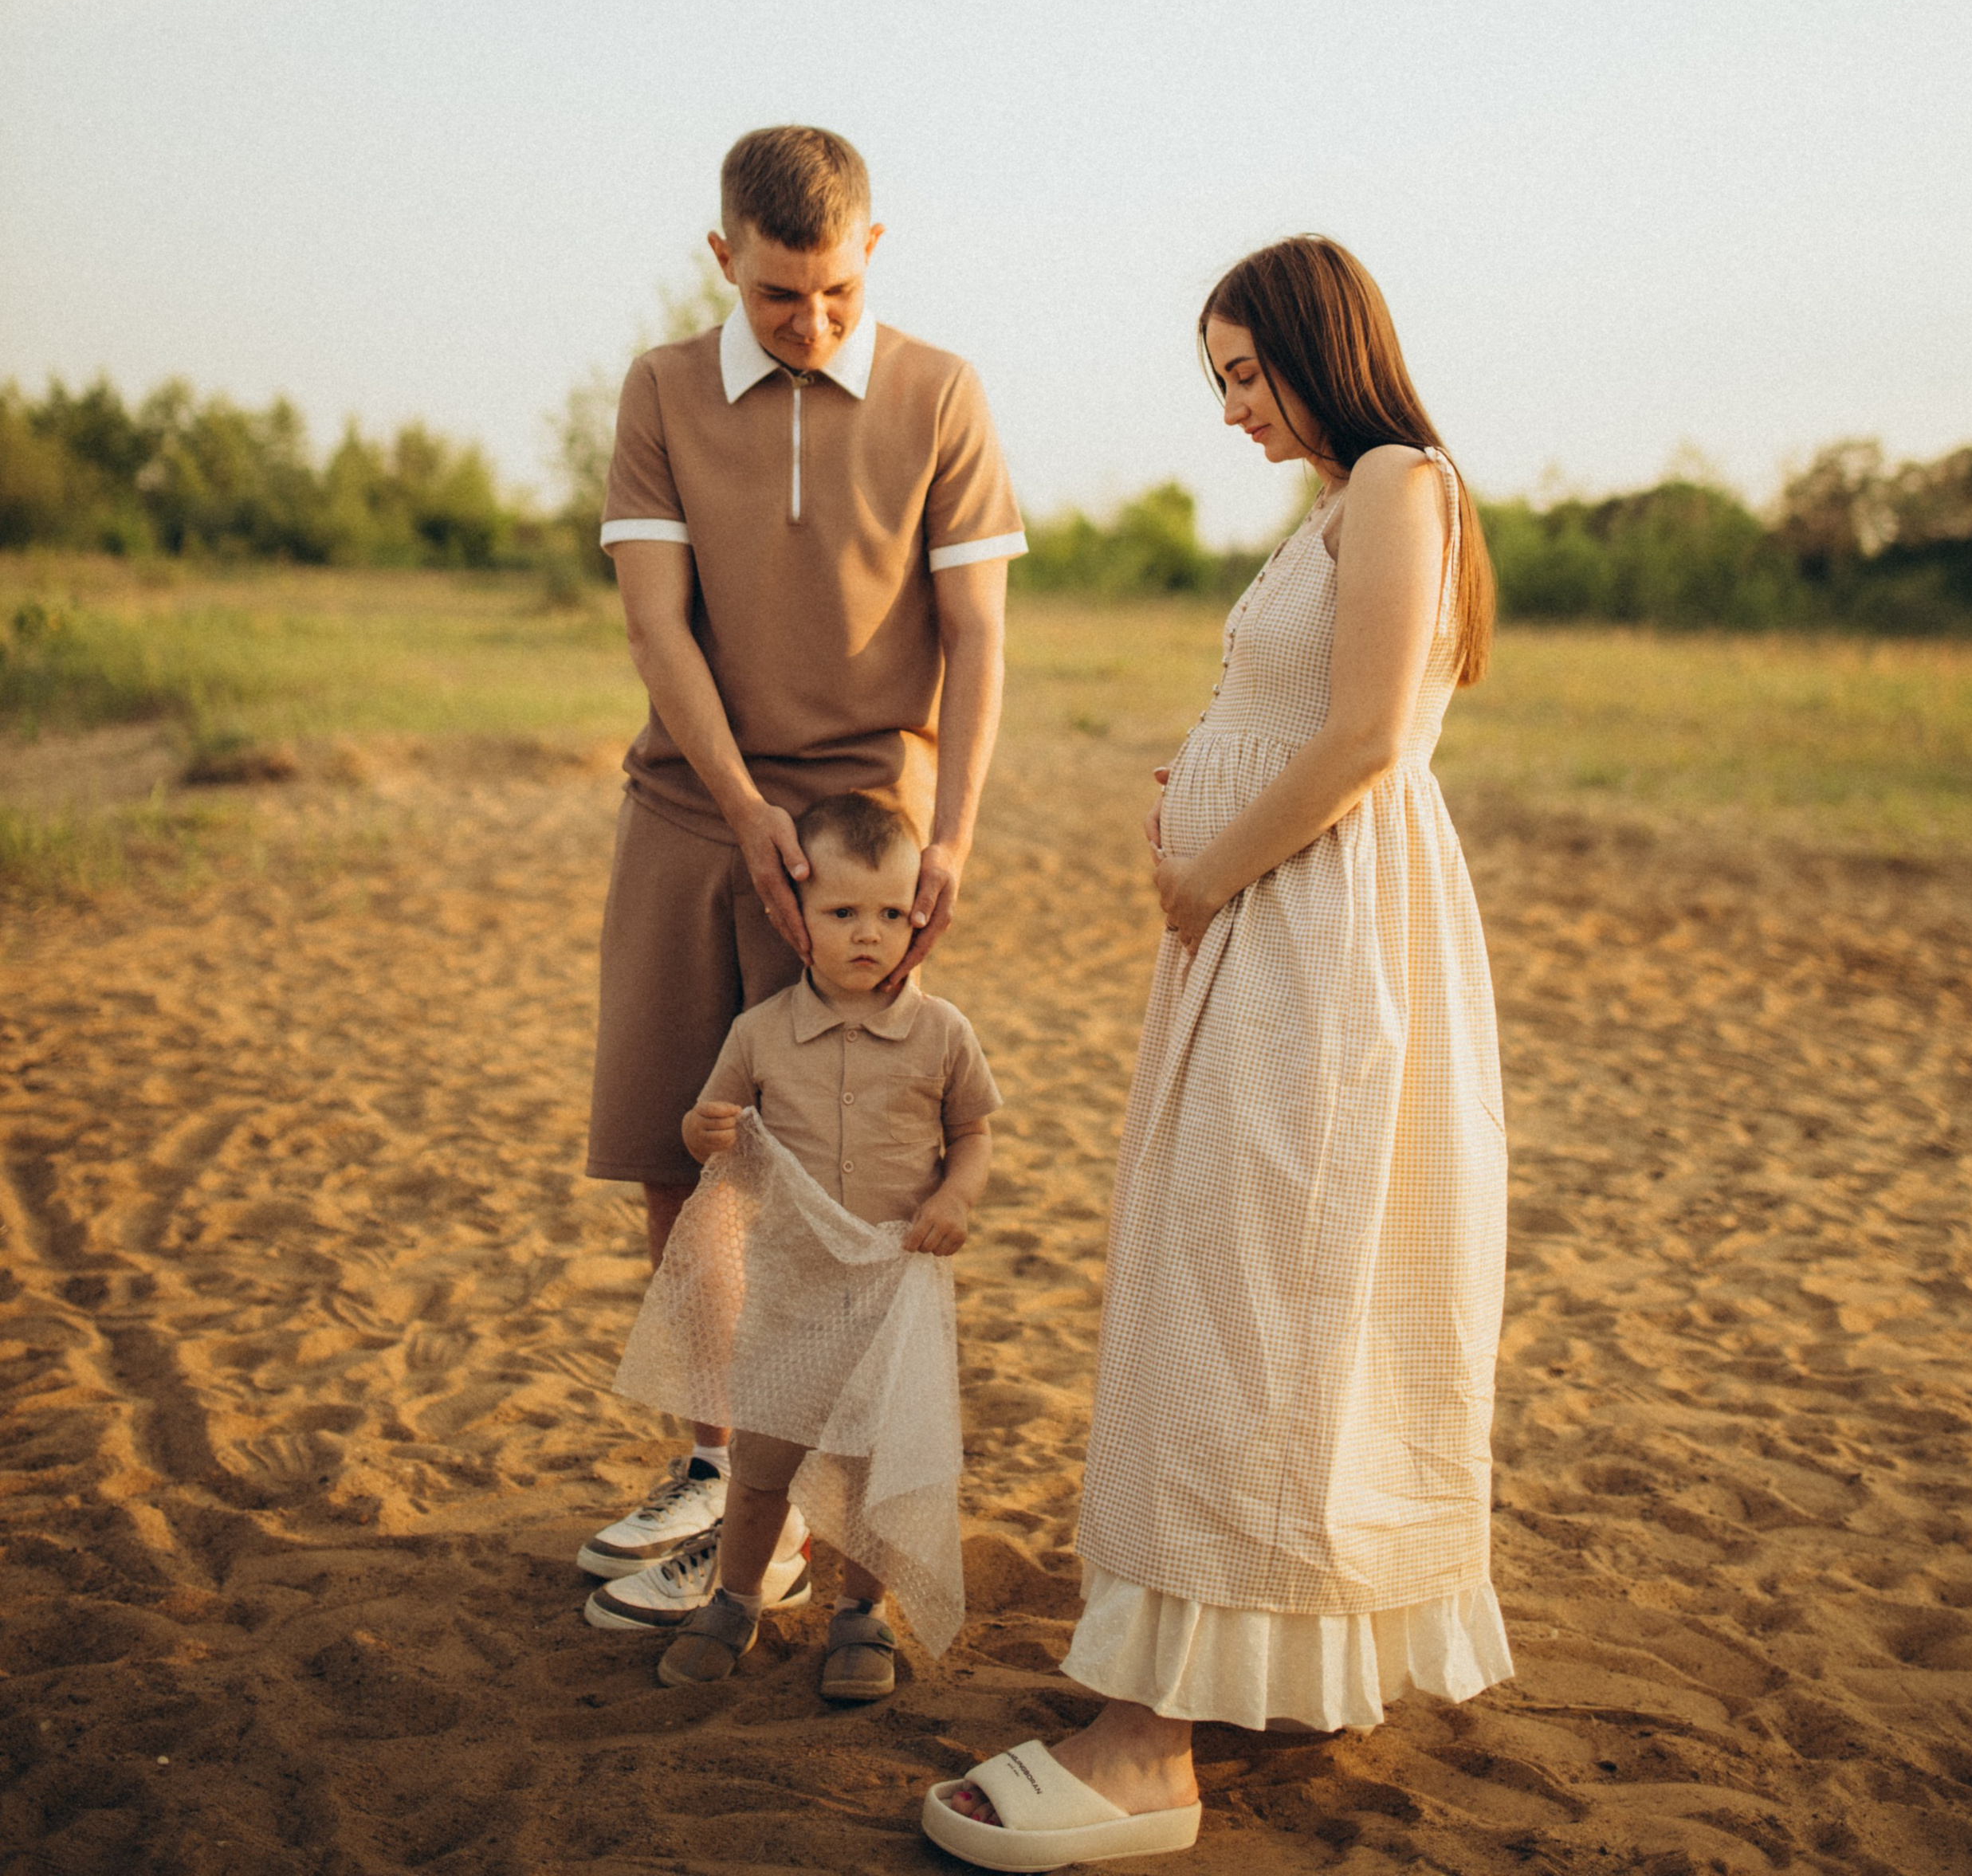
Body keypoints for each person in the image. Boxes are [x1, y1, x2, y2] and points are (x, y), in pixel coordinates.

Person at [925, 236, 1511, 1869]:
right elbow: (1293, 723)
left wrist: (1204, 858)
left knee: (1243, 1290)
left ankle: (1145, 1749)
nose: (1233, 410)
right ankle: (1220, 1668)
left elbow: (1367, 737)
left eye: (1246, 375)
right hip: (1265, 932)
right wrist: (1196, 801)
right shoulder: (1336, 504)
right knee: (1227, 1286)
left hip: (1310, 944)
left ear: (1323, 349)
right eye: (1218, 383)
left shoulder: (1399, 480)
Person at [577, 124, 1025, 1617]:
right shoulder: (657, 392)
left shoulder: (942, 394)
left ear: (872, 255)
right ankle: (715, 1475)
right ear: (724, 261)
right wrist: (734, 800)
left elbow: (976, 636)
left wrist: (947, 838)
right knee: (677, 1148)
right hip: (692, 813)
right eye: (780, 296)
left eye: (835, 291)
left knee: (839, 1175)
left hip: (862, 840)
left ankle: (812, 1507)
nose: (812, 321)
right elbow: (657, 627)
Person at [610, 789, 999, 1698]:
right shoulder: (760, 1034)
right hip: (788, 1293)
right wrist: (703, 1130)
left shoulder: (940, 1035)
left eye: (891, 914)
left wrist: (955, 1195)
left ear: (919, 916)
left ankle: (862, 1617)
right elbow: (714, 1135)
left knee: (871, 1469)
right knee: (762, 1468)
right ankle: (735, 1600)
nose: (870, 934)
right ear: (798, 922)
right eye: (842, 912)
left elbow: (975, 1134)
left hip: (888, 1297)